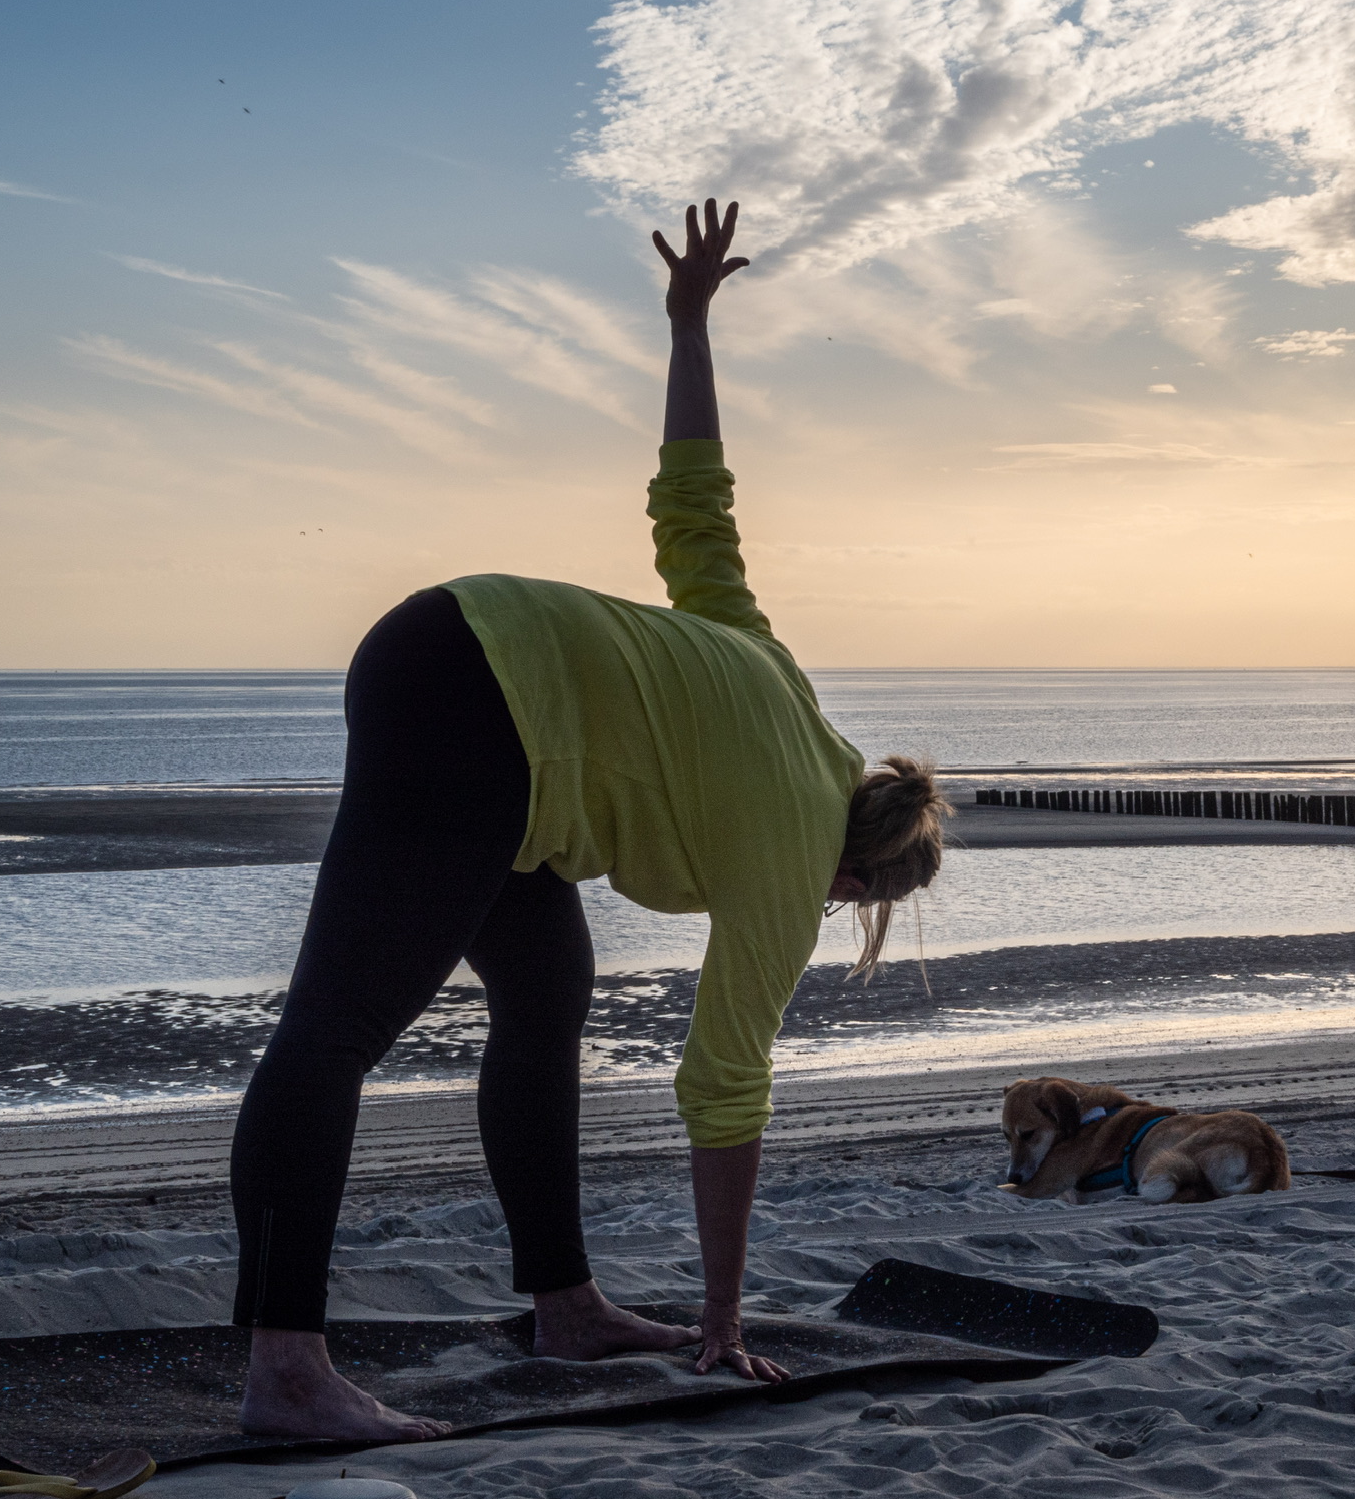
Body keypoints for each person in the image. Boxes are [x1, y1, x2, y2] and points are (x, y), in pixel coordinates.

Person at [228, 199, 949, 1440]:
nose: (831, 914)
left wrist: (689, 325)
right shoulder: (792, 844)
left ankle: (564, 1302)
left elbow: (695, 505)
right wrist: (725, 1321)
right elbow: (726, 1086)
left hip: (469, 663)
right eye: (852, 907)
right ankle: (286, 1371)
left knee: (549, 988)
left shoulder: (775, 672)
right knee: (337, 1028)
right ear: (860, 879)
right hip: (481, 699)